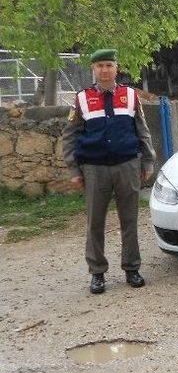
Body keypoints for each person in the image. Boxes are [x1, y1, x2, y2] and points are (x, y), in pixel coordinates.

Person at [61, 49, 156, 294]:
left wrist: (147, 162)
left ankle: (132, 268)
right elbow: (70, 135)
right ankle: (97, 273)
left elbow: (142, 131)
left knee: (130, 219)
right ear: (93, 69)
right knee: (95, 222)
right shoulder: (82, 98)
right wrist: (74, 168)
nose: (104, 70)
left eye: (109, 65)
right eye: (100, 65)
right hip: (94, 168)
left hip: (127, 166)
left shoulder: (130, 95)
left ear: (116, 68)